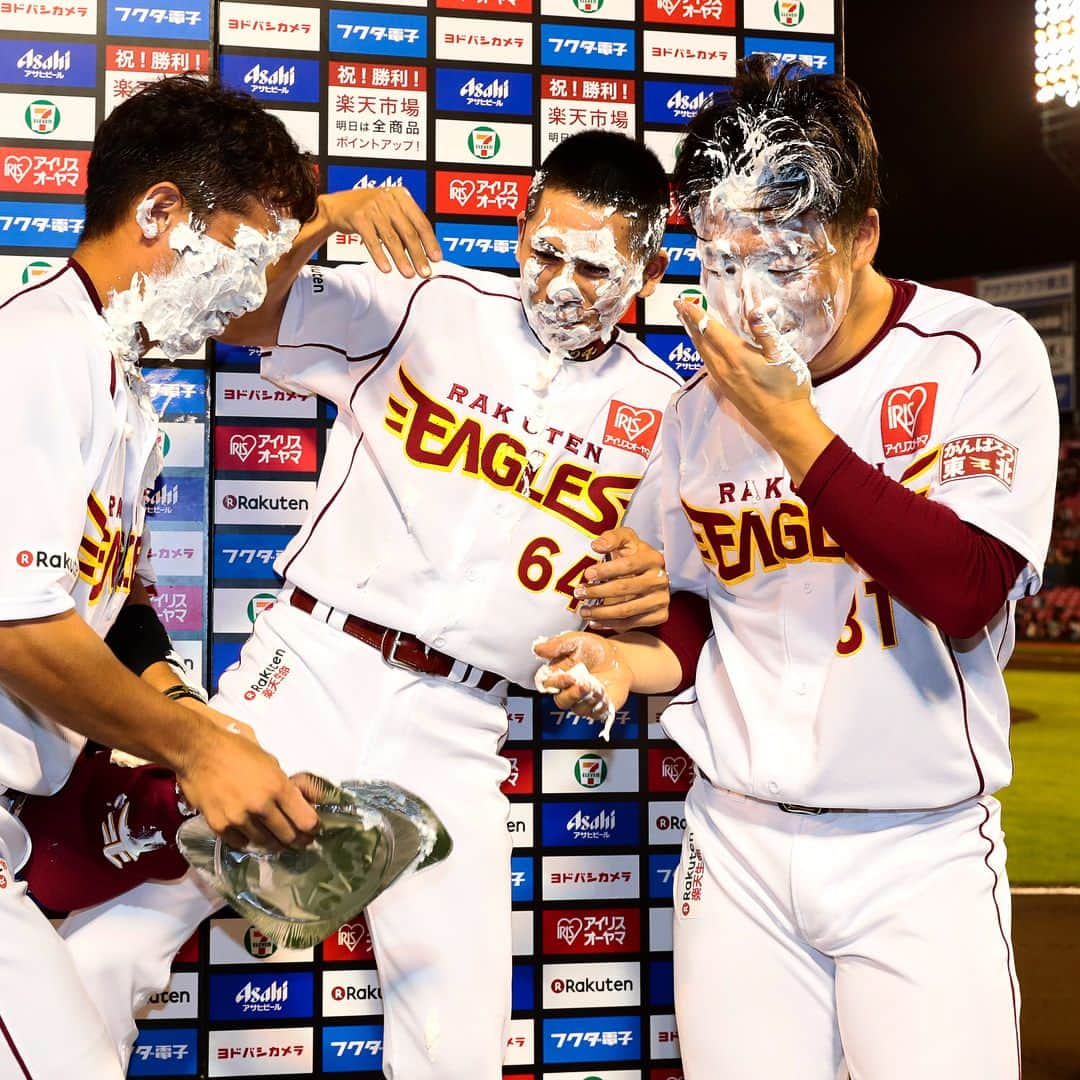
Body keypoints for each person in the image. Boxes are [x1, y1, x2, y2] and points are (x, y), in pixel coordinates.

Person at [60, 129, 681, 1079]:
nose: (559, 282)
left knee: (459, 1020)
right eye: (545, 249)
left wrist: (651, 590)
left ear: (650, 267)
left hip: (465, 718)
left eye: (593, 266)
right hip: (313, 664)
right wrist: (323, 217)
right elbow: (243, 314)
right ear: (519, 225)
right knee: (124, 932)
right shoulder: (429, 301)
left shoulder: (669, 410)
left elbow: (676, 605)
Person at [535, 57, 1059, 1079]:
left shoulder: (976, 355)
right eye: (720, 259)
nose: (746, 294)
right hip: (737, 847)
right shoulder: (702, 409)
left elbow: (966, 588)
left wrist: (795, 432)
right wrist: (617, 663)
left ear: (863, 236)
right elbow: (695, 617)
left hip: (916, 847)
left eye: (779, 260)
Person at [0, 76, 320, 1079]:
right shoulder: (39, 353)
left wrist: (202, 723)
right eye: (252, 246)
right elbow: (17, 627)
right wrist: (194, 752)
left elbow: (111, 614)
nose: (258, 287)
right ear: (162, 213)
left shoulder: (119, 382)